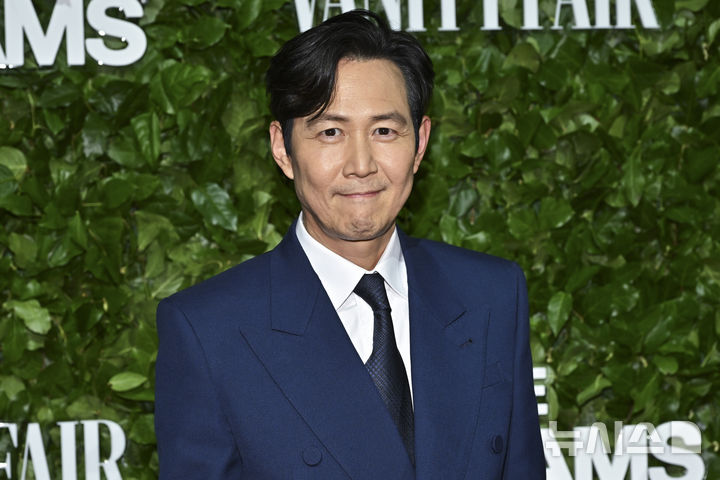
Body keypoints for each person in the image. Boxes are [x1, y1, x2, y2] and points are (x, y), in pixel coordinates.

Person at [154, 9, 545, 479]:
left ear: (420, 143)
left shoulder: (491, 294)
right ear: (283, 148)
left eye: (384, 131)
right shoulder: (208, 330)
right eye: (330, 132)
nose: (361, 164)